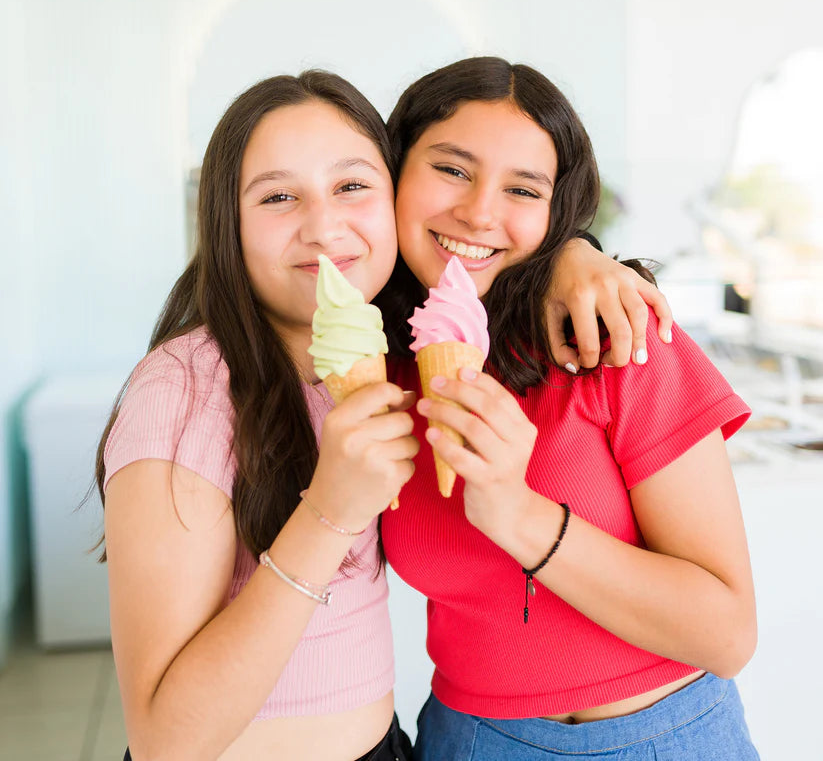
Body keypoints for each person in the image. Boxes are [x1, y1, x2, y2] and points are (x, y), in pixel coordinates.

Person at [95, 69, 671, 761]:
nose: (324, 226)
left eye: (351, 186)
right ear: (226, 221)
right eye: (277, 196)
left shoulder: (389, 351)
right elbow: (164, 741)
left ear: (392, 199)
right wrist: (328, 511)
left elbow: (479, 239)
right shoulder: (183, 390)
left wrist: (571, 254)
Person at [379, 57, 760, 760]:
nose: (479, 210)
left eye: (521, 188)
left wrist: (519, 515)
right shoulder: (370, 371)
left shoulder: (612, 333)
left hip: (662, 738)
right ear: (392, 169)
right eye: (452, 169)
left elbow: (727, 634)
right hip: (468, 739)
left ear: (554, 210)